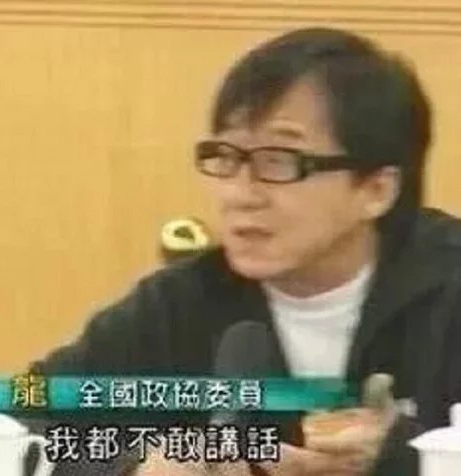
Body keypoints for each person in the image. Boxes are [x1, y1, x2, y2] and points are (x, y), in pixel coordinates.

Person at [29, 27, 461, 476]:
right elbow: (12, 419)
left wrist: (403, 455)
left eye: (279, 161)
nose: (239, 194)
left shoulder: (449, 290)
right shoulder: (179, 304)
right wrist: (132, 467)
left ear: (376, 190)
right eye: (227, 157)